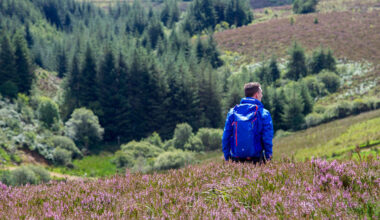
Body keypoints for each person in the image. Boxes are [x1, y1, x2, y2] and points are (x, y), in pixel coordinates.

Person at [222, 82, 273, 164]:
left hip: (236, 159)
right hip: (256, 159)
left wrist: (227, 157)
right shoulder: (263, 113)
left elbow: (225, 137)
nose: (262, 96)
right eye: (261, 93)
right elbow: (267, 138)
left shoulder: (233, 112)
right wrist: (268, 158)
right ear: (256, 94)